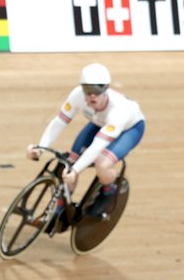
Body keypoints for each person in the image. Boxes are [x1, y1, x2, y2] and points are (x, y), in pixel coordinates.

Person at [27, 62, 146, 217]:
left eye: (97, 90)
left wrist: (76, 171)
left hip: (129, 129)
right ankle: (62, 207)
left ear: (106, 89)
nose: (92, 95)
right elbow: (59, 122)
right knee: (69, 162)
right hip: (99, 123)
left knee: (102, 164)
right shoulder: (77, 96)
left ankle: (109, 190)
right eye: (88, 90)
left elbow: (98, 146)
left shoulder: (119, 111)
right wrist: (41, 147)